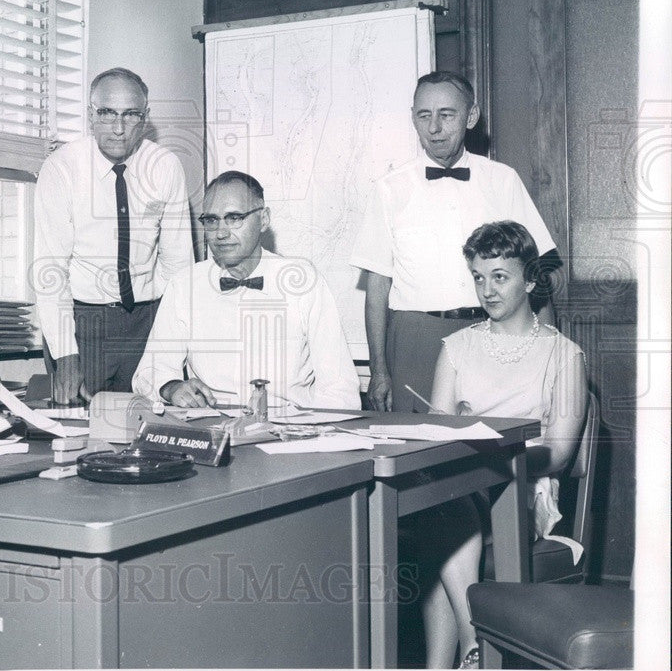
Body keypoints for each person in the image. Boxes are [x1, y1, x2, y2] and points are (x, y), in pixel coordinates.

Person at [414, 220, 587, 668]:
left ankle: (464, 654)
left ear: (529, 279)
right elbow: (438, 434)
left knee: (444, 525)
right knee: (446, 505)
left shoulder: (564, 355)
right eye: (478, 277)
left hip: (523, 489)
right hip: (460, 488)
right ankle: (472, 652)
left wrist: (493, 456)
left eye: (500, 277)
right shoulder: (455, 347)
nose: (487, 290)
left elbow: (561, 452)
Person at [350, 71, 558, 414]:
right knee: (418, 452)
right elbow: (377, 290)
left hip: (494, 332)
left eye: (446, 115)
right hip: (415, 339)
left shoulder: (503, 180)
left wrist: (549, 356)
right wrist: (379, 370)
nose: (434, 128)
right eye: (423, 115)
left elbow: (536, 277)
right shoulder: (389, 189)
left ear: (471, 117)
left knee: (492, 449)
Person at [132, 171, 361, 410]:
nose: (221, 233)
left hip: (289, 426)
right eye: (211, 220)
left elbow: (339, 386)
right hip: (211, 425)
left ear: (263, 219)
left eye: (234, 218)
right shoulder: (184, 285)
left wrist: (315, 435)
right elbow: (148, 372)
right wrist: (171, 387)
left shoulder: (303, 280)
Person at [33, 67, 193, 404]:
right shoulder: (61, 169)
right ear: (90, 115)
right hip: (83, 324)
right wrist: (65, 356)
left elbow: (179, 266)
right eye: (106, 113)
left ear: (145, 118)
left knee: (148, 428)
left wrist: (174, 344)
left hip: (147, 322)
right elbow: (51, 271)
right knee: (83, 431)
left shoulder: (165, 167)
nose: (118, 128)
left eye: (130, 114)